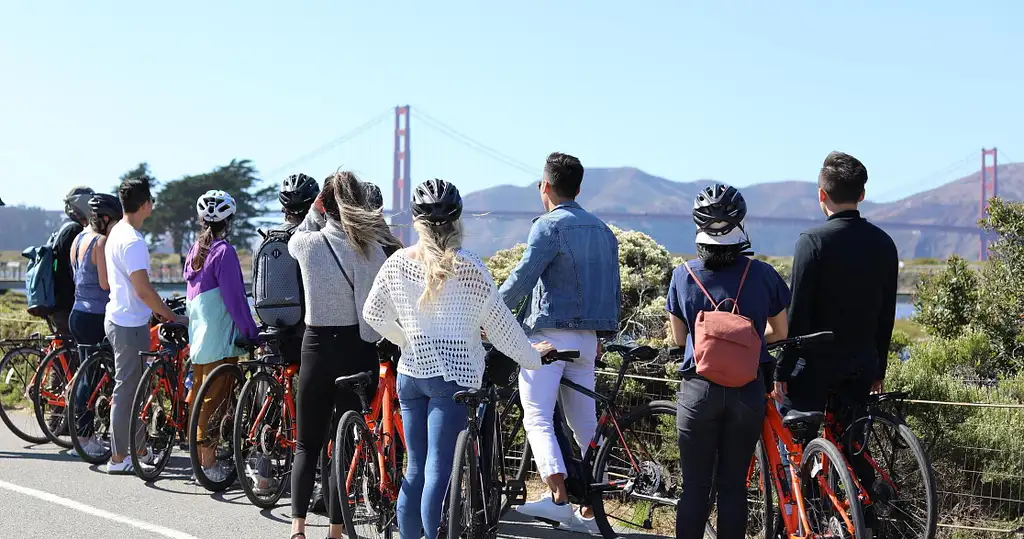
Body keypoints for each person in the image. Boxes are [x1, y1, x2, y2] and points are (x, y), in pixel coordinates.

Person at [363, 178, 552, 539]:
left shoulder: (397, 262)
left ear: (417, 222)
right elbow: (500, 326)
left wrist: (408, 340)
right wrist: (532, 358)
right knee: (438, 469)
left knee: (414, 468)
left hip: (410, 375)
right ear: (457, 222)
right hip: (451, 378)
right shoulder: (468, 266)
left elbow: (373, 314)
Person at [497, 152, 620, 532]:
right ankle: (593, 510)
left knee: (536, 416)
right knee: (584, 423)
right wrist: (601, 335)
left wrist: (489, 313)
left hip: (550, 337)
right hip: (588, 341)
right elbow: (614, 291)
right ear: (579, 188)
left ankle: (559, 499)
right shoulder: (603, 230)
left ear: (545, 187)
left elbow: (522, 279)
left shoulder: (548, 227)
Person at [776, 151, 899, 528]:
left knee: (801, 445)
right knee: (852, 441)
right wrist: (879, 364)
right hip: (862, 362)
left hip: (815, 365)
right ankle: (868, 518)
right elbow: (887, 315)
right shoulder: (884, 244)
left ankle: (810, 521)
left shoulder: (812, 242)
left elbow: (797, 315)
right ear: (862, 195)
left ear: (821, 195)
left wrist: (783, 368)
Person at [667, 183, 790, 539]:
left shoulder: (683, 275)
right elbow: (780, 331)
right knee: (733, 486)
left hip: (698, 390)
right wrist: (746, 342)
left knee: (694, 487)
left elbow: (678, 339)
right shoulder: (763, 273)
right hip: (747, 391)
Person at [286, 171, 392, 539]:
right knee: (342, 443)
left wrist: (315, 211)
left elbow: (294, 237)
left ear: (323, 205)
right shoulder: (371, 250)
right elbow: (372, 314)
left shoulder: (308, 245)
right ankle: (335, 528)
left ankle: (298, 527)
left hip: (315, 347)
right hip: (356, 349)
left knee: (306, 444)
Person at [105, 175, 186, 474]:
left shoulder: (116, 232)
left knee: (135, 388)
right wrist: (169, 314)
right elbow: (143, 289)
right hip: (129, 324)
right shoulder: (133, 242)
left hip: (119, 317)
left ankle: (136, 450)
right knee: (127, 390)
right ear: (145, 204)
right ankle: (118, 458)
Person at [184, 190, 259, 482]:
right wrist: (251, 332)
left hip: (199, 336)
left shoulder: (195, 250)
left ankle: (200, 459)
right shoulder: (224, 252)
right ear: (229, 221)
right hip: (220, 338)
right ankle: (209, 464)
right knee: (215, 402)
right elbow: (235, 300)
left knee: (200, 398)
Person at [68, 193, 123, 457]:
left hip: (77, 311)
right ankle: (86, 434)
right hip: (95, 315)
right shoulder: (100, 242)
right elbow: (105, 284)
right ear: (103, 219)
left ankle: (83, 431)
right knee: (90, 380)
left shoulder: (79, 238)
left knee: (84, 373)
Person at [50, 186, 95, 336]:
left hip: (57, 299)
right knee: (77, 353)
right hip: (67, 301)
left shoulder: (65, 228)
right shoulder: (75, 231)